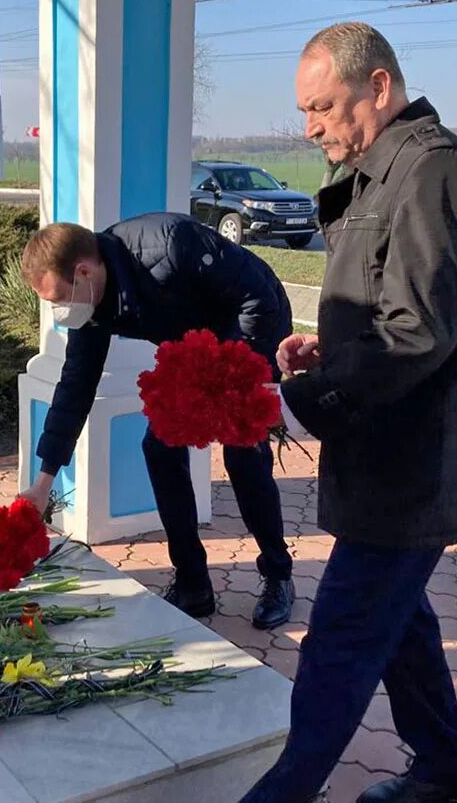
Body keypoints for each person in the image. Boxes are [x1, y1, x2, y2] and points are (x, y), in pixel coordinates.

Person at [241, 24, 457, 803]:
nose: (309, 127)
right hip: (383, 453)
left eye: (322, 106)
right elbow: (393, 308)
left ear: (379, 88)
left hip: (420, 466)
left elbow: (418, 332)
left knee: (340, 642)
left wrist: (298, 405)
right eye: (305, 110)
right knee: (401, 627)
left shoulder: (436, 172)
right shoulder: (376, 174)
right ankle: (448, 772)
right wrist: (329, 348)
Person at [19, 212, 297, 628]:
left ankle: (278, 574)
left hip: (252, 325)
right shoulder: (91, 303)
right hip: (192, 346)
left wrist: (224, 375)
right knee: (159, 448)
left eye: (59, 298)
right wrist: (43, 483)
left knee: (244, 453)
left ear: (83, 271)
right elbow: (76, 385)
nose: (59, 310)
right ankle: (192, 583)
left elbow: (256, 297)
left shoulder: (169, 246)